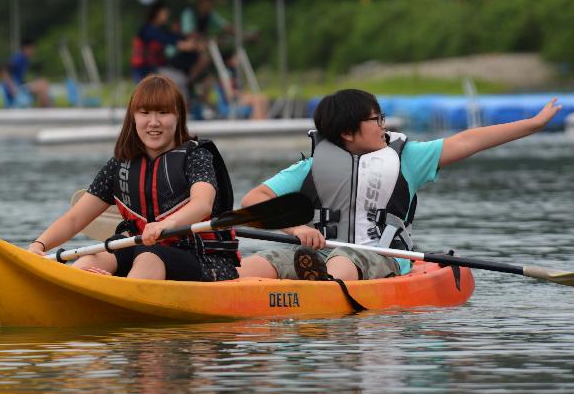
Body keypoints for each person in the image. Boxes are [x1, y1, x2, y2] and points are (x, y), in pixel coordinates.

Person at [237, 89, 562, 282]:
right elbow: (256, 200)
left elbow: (467, 141)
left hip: (383, 257)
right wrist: (294, 229)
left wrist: (533, 125)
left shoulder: (407, 159)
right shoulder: (310, 169)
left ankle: (318, 293)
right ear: (348, 132)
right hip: (315, 254)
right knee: (256, 263)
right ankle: (229, 287)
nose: (383, 126)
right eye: (376, 120)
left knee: (343, 261)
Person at [27, 74, 240, 282]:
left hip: (205, 260)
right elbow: (74, 219)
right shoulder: (119, 166)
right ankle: (83, 290)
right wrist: (39, 246)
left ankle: (118, 296)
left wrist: (166, 224)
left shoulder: (197, 156)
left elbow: (202, 204)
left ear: (178, 116)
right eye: (145, 113)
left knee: (149, 257)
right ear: (133, 117)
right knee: (91, 258)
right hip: (140, 248)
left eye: (163, 113)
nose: (153, 122)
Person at [130, 1, 198, 82]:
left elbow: (173, 36)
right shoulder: (148, 29)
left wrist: (188, 38)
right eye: (165, 14)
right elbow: (167, 39)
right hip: (144, 70)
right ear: (157, 14)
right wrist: (183, 44)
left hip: (155, 68)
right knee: (180, 79)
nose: (167, 16)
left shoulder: (160, 29)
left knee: (180, 76)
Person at [0, 38, 51, 107]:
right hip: (16, 88)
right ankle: (48, 111)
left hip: (20, 86)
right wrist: (12, 87)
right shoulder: (18, 58)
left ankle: (45, 112)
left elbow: (19, 77)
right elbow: (4, 72)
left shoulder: (26, 60)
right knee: (43, 83)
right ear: (25, 48)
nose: (34, 51)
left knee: (42, 91)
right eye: (32, 48)